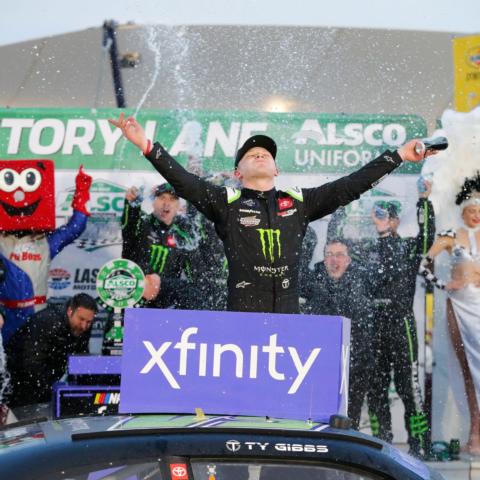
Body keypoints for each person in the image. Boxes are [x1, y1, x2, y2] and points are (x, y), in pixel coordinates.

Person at [109, 112, 435, 313]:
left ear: (277, 170)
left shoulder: (298, 202)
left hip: (289, 318)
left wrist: (399, 156)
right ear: (238, 172)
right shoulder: (226, 201)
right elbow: (185, 182)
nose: (260, 154)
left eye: (266, 153)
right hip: (242, 319)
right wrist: (147, 146)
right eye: (252, 154)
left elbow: (350, 185)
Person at [355, 183, 435, 457]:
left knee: (408, 388)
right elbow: (336, 245)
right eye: (374, 215)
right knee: (375, 390)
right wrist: (343, 210)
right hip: (373, 324)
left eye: (382, 214)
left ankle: (419, 446)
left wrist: (424, 200)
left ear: (395, 219)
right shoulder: (364, 250)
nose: (376, 219)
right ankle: (382, 446)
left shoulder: (408, 247)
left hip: (400, 324)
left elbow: (427, 238)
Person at [419, 172, 480, 454]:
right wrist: (446, 284)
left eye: (479, 211)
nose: (475, 215)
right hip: (460, 305)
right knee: (468, 369)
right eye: (471, 210)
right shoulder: (450, 236)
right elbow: (423, 266)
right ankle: (475, 432)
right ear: (463, 211)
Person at [0, 164, 92, 343]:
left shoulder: (46, 242)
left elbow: (76, 226)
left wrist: (81, 192)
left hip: (37, 314)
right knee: (6, 365)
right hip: (5, 315)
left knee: (34, 364)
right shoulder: (2, 241)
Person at [301, 238, 373, 429]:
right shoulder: (313, 283)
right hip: (320, 366)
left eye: (339, 255)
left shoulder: (360, 284)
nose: (334, 260)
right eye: (329, 255)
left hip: (353, 366)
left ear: (348, 260)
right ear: (323, 260)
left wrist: (351, 365)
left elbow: (363, 334)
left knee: (350, 420)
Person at [5, 293, 97, 410]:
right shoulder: (47, 321)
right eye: (81, 319)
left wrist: (84, 392)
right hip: (18, 377)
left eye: (89, 322)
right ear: (70, 312)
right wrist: (49, 390)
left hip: (44, 378)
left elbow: (81, 358)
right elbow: (31, 363)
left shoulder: (82, 326)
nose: (84, 326)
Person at [121, 182, 199, 309]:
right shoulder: (141, 224)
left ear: (178, 205)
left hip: (164, 306)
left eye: (172, 199)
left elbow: (194, 277)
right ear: (153, 202)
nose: (166, 204)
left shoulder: (183, 235)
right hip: (134, 300)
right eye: (162, 198)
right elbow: (130, 221)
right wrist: (131, 203)